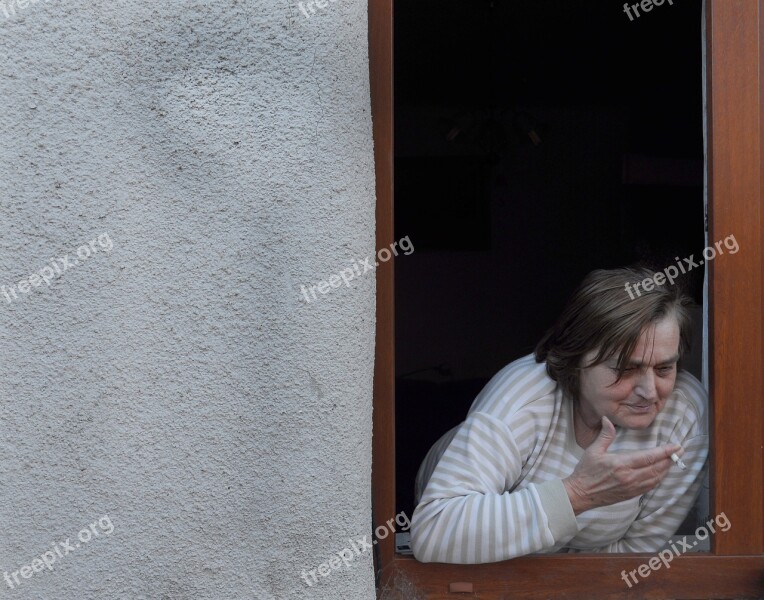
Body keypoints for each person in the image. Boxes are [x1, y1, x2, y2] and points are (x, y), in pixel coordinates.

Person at [410, 267, 709, 563]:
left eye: (664, 369)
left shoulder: (684, 415)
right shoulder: (524, 398)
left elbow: (633, 558)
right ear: (576, 357)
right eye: (625, 369)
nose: (649, 391)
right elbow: (435, 531)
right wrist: (577, 494)